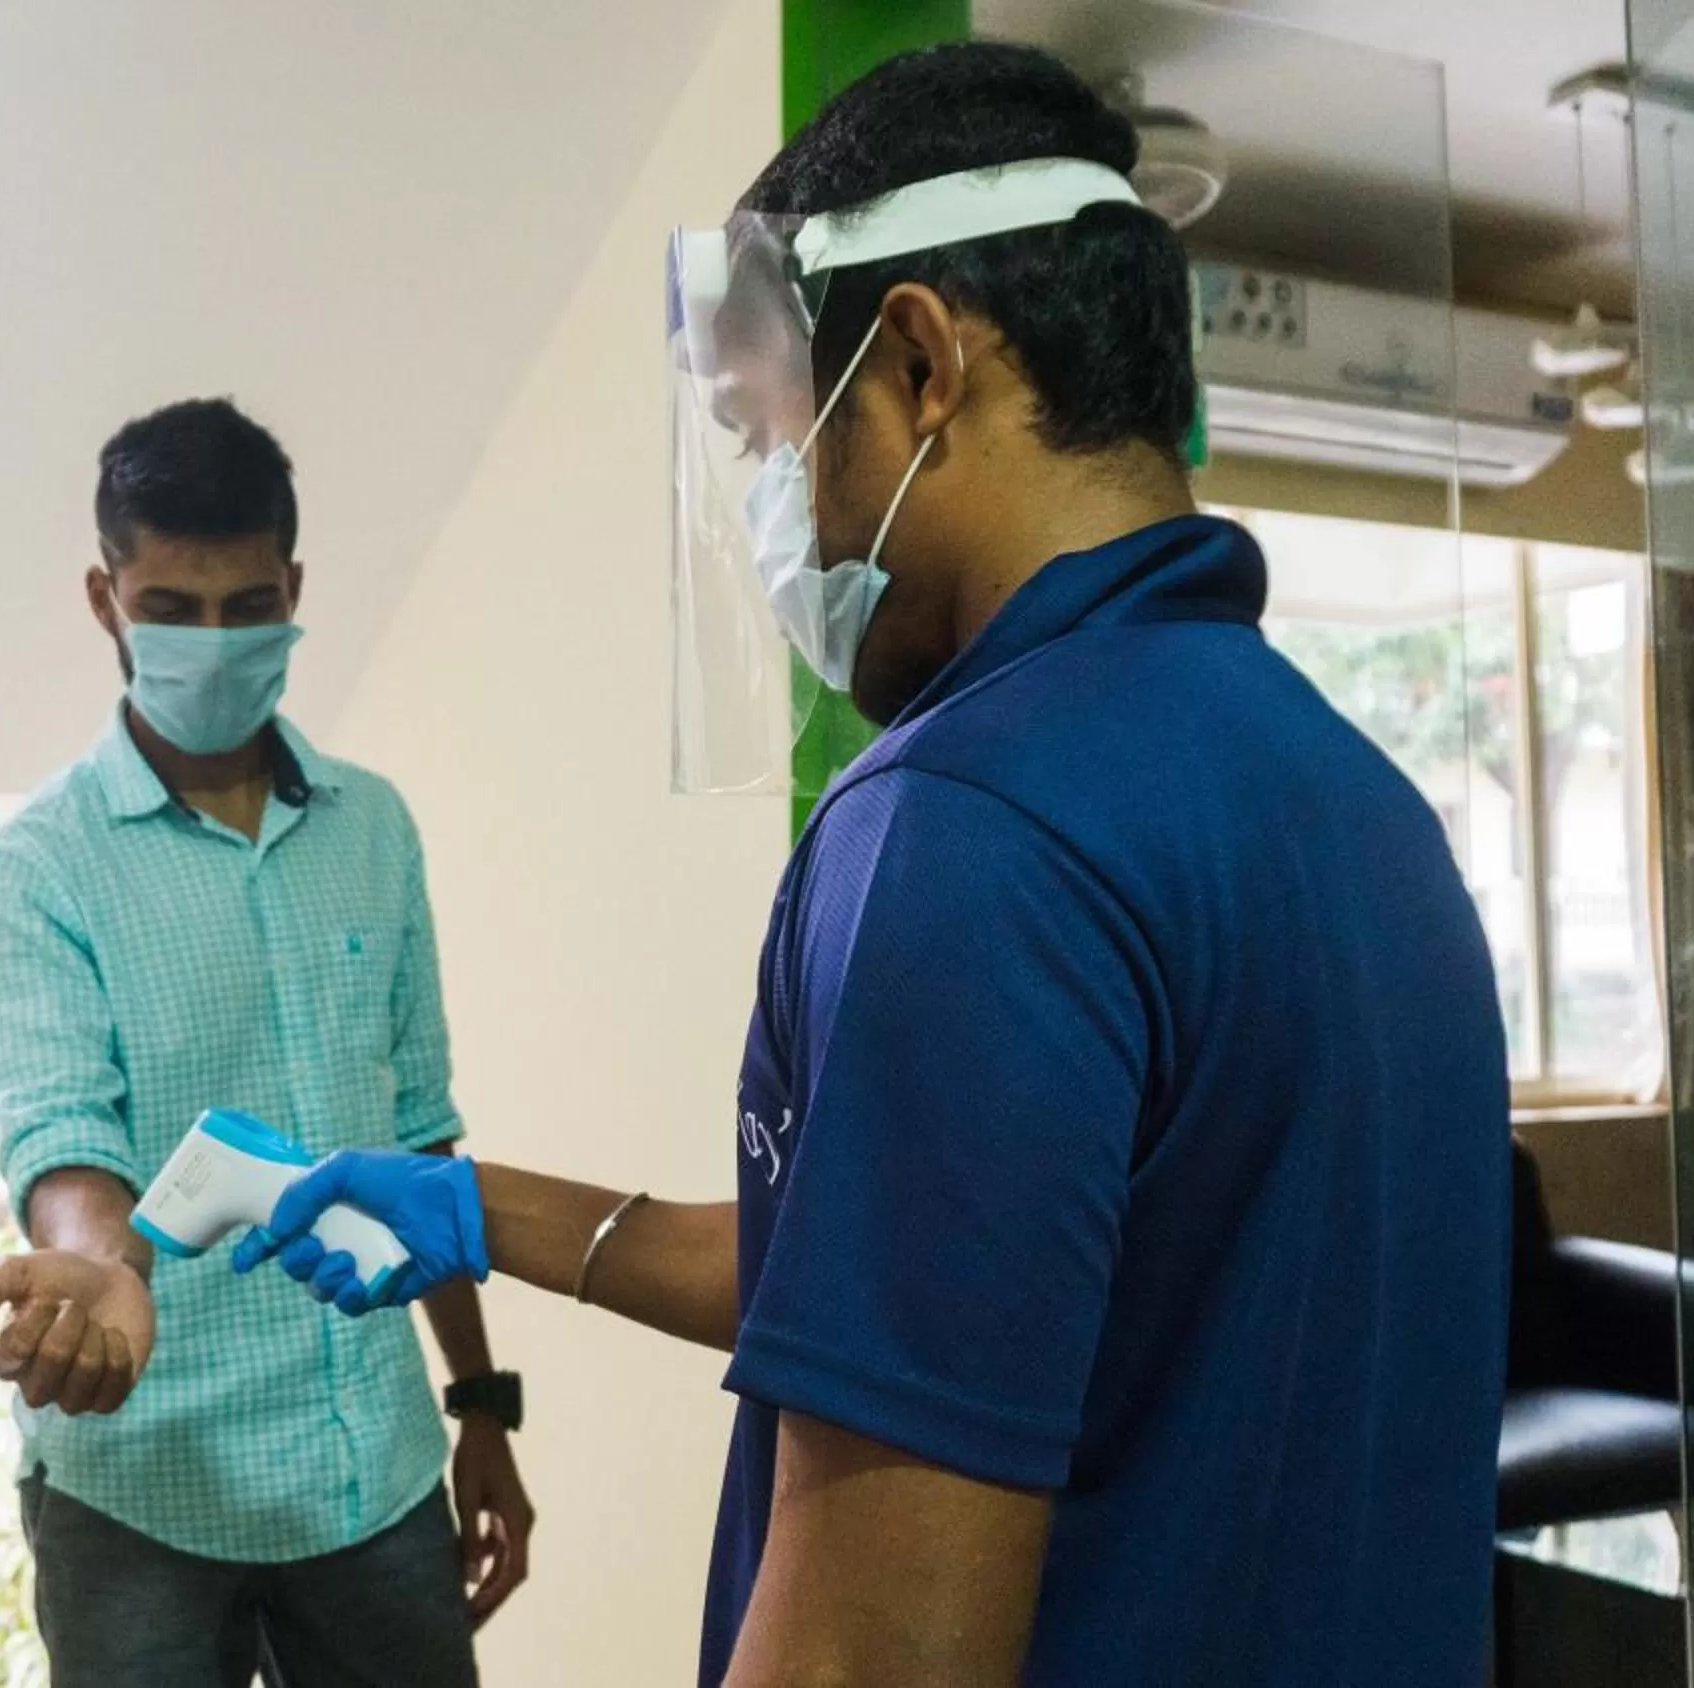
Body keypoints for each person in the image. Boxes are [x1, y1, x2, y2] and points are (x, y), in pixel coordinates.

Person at [240, 44, 1510, 1688]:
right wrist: (479, 1210)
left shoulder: (971, 822)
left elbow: (866, 1658)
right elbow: (965, 1274)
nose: (786, 515)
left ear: (917, 363)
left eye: (772, 435)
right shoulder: (1367, 812)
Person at [0, 398, 532, 1687]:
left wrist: (480, 1406)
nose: (213, 643)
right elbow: (63, 1139)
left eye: (248, 606)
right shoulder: (36, 868)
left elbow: (423, 1139)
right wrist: (97, 1271)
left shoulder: (373, 829)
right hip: (142, 1487)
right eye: (171, 609)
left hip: (372, 1468)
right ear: (106, 600)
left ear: (295, 592)